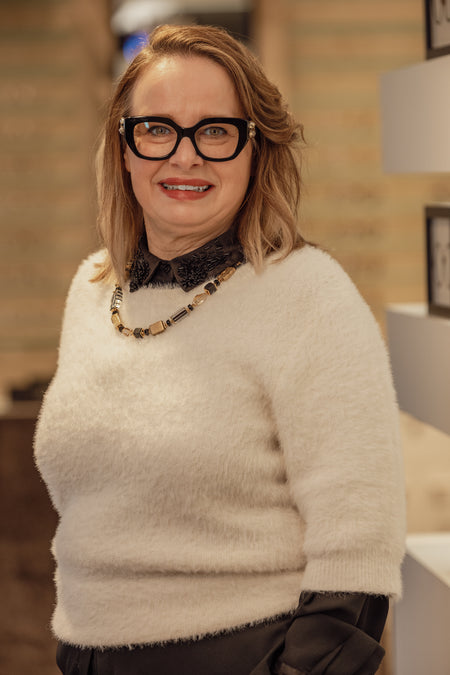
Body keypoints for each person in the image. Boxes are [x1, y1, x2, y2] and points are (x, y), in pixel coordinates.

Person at [34, 23, 405, 675]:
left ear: (254, 149)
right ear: (124, 148)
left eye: (215, 131)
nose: (185, 157)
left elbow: (360, 546)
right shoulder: (93, 289)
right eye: (157, 129)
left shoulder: (309, 295)